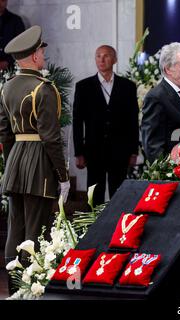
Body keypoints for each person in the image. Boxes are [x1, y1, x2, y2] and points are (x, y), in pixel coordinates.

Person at [0, 26, 70, 279]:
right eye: (41, 50)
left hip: (16, 161)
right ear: (33, 56)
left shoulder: (7, 87)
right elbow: (50, 138)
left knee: (14, 228)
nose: (43, 54)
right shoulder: (43, 88)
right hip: (38, 162)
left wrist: (12, 166)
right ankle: (30, 287)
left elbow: (5, 134)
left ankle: (14, 286)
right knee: (35, 229)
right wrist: (62, 176)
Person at [73, 45, 139, 206]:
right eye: (98, 56)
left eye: (106, 56)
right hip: (94, 150)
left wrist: (133, 151)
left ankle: (118, 227)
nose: (101, 59)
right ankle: (94, 228)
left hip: (120, 150)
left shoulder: (127, 86)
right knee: (94, 194)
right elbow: (77, 121)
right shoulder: (83, 86)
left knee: (119, 194)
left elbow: (133, 121)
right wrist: (79, 152)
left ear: (114, 59)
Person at [141, 42, 180, 163]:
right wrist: (169, 173)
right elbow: (153, 147)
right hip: (173, 176)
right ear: (168, 69)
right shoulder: (156, 97)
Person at [0, 0, 25, 71]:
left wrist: (8, 61)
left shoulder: (16, 21)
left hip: (11, 69)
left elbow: (22, 47)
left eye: (2, 0)